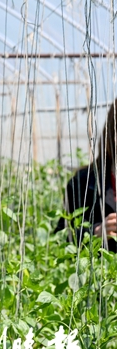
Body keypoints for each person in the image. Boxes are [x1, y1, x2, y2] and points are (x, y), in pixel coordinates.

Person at [55, 99, 117, 252]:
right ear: (111, 132)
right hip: (101, 274)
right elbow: (59, 239)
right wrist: (95, 232)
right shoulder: (83, 183)